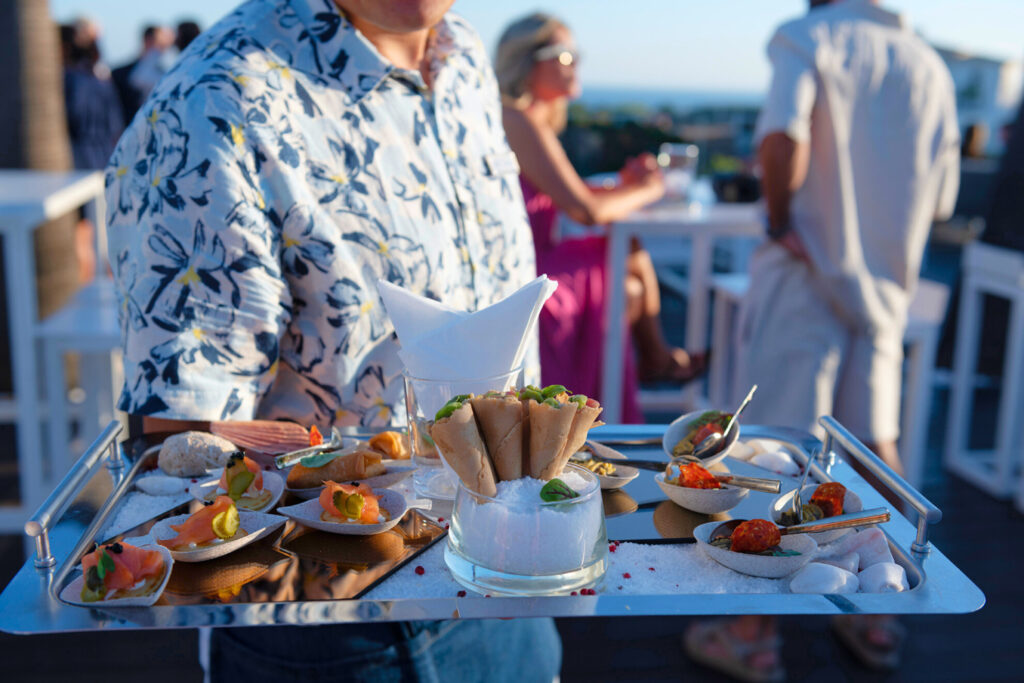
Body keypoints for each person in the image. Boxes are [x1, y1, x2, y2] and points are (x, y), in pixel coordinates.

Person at [105, 0, 557, 680]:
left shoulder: (461, 52)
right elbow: (179, 443)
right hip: (347, 626)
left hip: (517, 568)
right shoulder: (210, 105)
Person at [696, 0, 959, 679]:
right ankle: (878, 612)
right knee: (874, 453)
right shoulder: (930, 66)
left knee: (779, 451)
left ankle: (752, 635)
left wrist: (781, 219)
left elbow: (782, 138)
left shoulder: (807, 38)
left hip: (806, 271)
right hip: (883, 291)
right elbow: (943, 199)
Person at [495, 13, 705, 423]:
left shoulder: (525, 121)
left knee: (626, 265)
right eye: (565, 54)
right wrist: (650, 188)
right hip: (527, 269)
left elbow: (568, 195)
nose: (576, 63)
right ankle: (654, 360)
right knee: (622, 258)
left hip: (541, 258)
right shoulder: (517, 120)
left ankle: (653, 359)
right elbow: (585, 210)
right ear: (527, 60)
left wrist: (625, 186)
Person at [111, 24, 173, 124]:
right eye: (161, 44)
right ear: (148, 40)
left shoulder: (165, 71)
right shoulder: (120, 74)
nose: (164, 49)